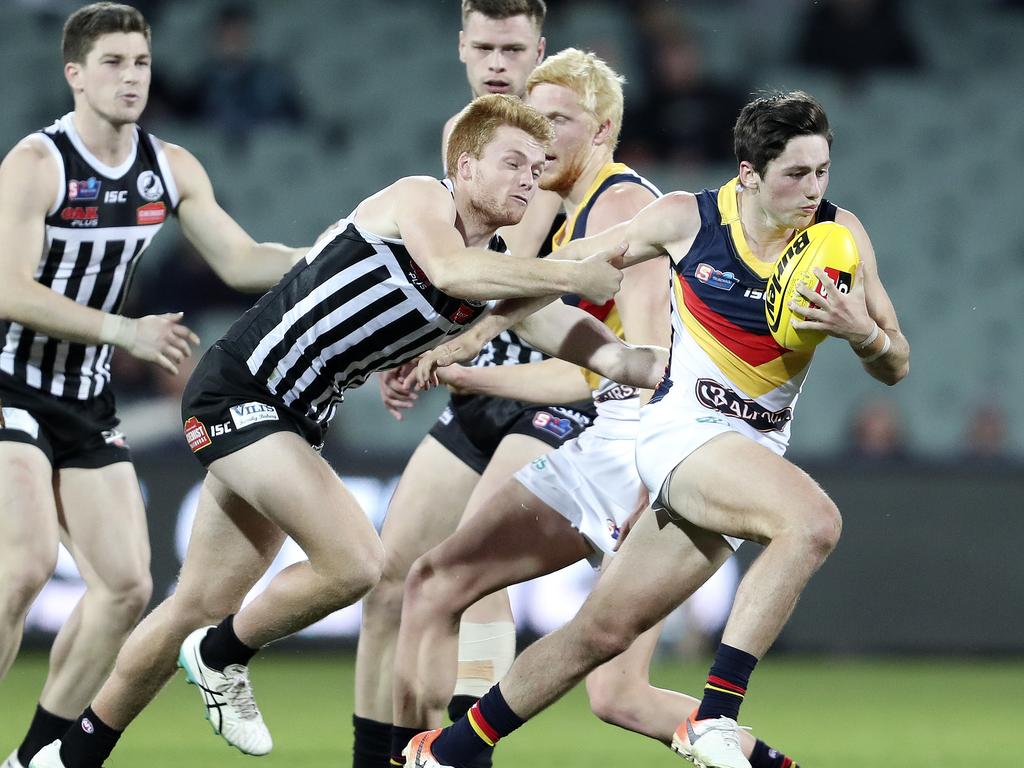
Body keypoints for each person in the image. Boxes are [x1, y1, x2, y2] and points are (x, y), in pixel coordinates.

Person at [28, 91, 659, 768]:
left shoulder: (501, 272)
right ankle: (222, 654)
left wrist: (682, 365)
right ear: (467, 167)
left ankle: (66, 756)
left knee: (198, 601)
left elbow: (611, 356)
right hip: (239, 390)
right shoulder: (422, 198)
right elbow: (450, 271)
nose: (529, 180)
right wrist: (569, 271)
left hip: (294, 422)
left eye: (537, 168)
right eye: (513, 163)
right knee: (359, 563)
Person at [405, 90, 910, 768]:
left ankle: (453, 750)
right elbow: (563, 270)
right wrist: (467, 340)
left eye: (822, 171)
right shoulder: (685, 218)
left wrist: (865, 334)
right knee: (812, 522)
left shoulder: (840, 235)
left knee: (600, 634)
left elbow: (897, 363)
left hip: (746, 453)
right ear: (749, 173)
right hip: (681, 431)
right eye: (796, 174)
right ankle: (718, 718)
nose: (813, 189)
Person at [0, 5, 308, 768]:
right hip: (7, 379)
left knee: (126, 589)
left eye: (140, 62)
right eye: (112, 62)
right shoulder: (38, 164)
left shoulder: (169, 167)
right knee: (24, 564)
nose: (131, 76)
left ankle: (35, 758)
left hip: (85, 398)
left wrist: (341, 255)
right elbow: (5, 288)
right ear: (74, 74)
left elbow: (240, 262)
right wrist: (123, 332)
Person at [353, 4, 581, 767]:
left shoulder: (544, 131)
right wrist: (415, 346)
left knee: (476, 573)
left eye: (512, 47)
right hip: (473, 390)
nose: (495, 60)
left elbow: (506, 266)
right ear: (460, 45)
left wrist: (435, 343)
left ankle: (464, 756)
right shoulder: (463, 135)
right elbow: (443, 267)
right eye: (482, 44)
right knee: (389, 578)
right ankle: (374, 757)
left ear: (539, 50)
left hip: (541, 386)